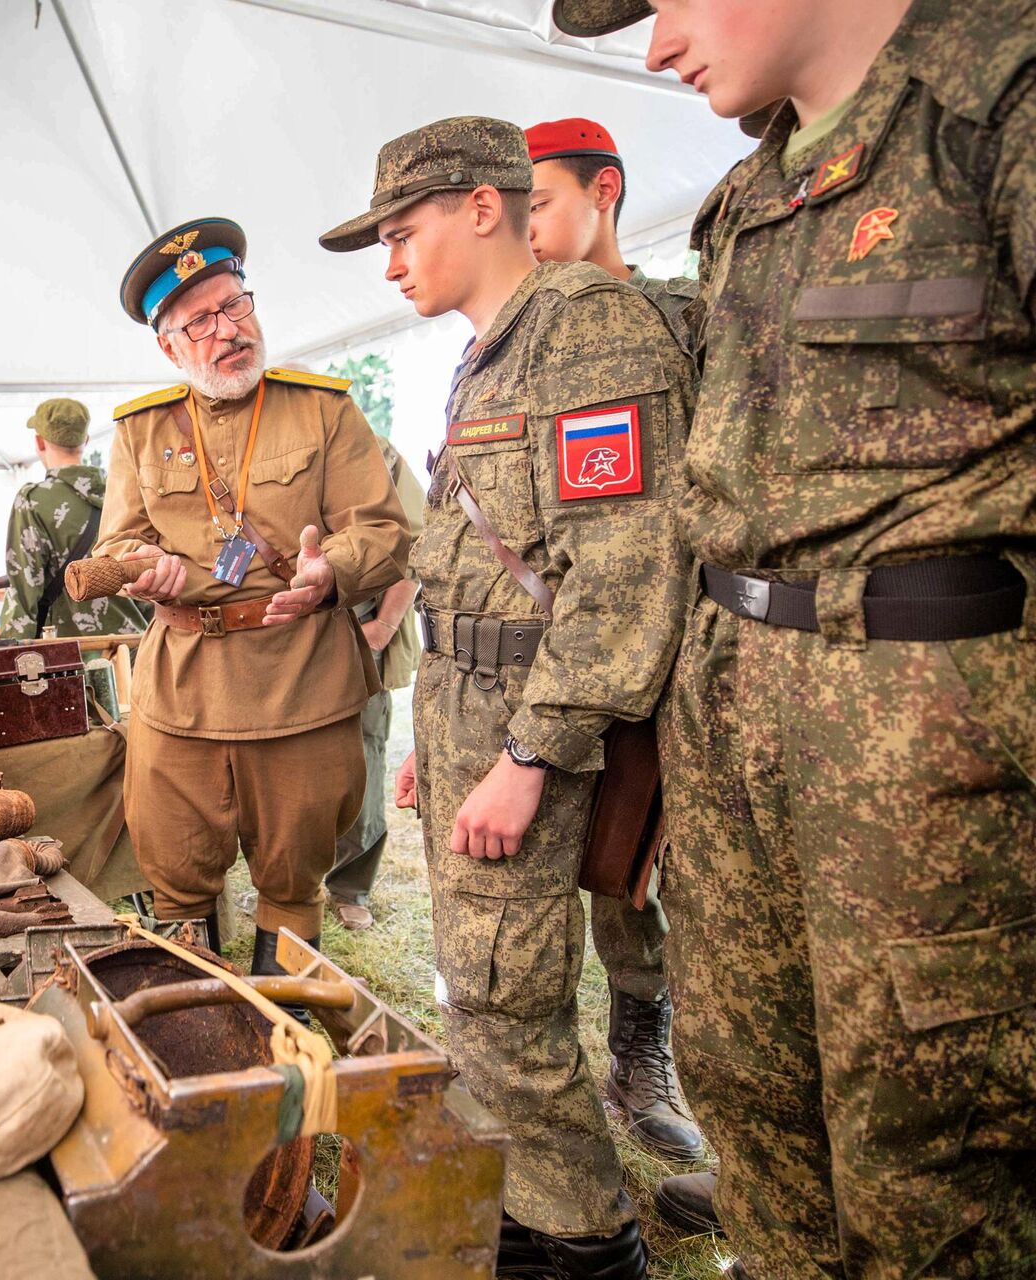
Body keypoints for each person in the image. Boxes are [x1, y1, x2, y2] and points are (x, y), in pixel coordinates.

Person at [550, 2, 1036, 1275]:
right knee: (756, 1098)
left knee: (935, 1150)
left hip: (933, 739)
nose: (657, 47)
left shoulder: (997, 103)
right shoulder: (747, 196)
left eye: (670, 2)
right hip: (740, 716)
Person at [320, 117, 695, 1278]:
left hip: (539, 717)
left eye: (401, 232)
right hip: (475, 696)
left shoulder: (584, 330)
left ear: (483, 210)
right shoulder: (495, 347)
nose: (390, 263)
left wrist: (529, 754)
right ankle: (537, 1210)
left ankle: (584, 1241)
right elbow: (494, 554)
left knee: (509, 1007)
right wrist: (448, 732)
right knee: (488, 1000)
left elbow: (626, 569)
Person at [95, 216, 410, 971]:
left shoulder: (324, 407)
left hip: (301, 680)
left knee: (293, 879)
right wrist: (142, 565)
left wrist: (330, 570)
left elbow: (383, 529)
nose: (226, 329)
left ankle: (289, 1023)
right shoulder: (141, 431)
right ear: (168, 344)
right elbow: (112, 548)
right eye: (199, 319)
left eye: (235, 304)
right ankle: (197, 1018)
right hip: (182, 687)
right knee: (174, 872)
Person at [524, 114, 707, 1164]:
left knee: (651, 866)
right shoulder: (514, 339)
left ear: (606, 191)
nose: (529, 229)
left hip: (680, 640)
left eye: (542, 201)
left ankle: (644, 1057)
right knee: (575, 844)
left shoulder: (680, 317)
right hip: (558, 644)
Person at [324, 433, 424, 931]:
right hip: (274, 637)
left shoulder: (368, 448)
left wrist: (383, 626)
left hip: (357, 632)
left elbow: (417, 544)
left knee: (362, 757)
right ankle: (286, 884)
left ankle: (349, 885)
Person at [524, 118, 700, 344]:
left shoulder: (689, 312)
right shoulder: (521, 335)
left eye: (536, 207)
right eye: (515, 219)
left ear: (604, 190)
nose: (524, 233)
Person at [0, 397, 152, 639]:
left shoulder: (34, 501)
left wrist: (7, 657)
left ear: (39, 442)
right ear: (86, 440)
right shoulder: (124, 493)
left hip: (72, 655)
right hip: (136, 645)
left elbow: (24, 593)